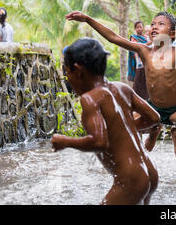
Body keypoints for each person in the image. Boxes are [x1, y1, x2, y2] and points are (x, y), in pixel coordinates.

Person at [65, 10, 176, 159]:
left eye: (160, 24)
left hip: (175, 110)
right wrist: (88, 19)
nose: (154, 27)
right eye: (153, 24)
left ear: (172, 34)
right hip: (151, 109)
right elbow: (114, 38)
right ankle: (154, 129)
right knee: (123, 128)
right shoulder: (144, 50)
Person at [51, 38, 160, 205]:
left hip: (131, 179)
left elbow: (99, 142)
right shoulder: (122, 88)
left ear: (78, 70)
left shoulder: (90, 99)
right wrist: (124, 130)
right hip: (149, 171)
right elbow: (154, 118)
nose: (68, 79)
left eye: (67, 72)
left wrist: (65, 141)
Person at [128, 20, 149, 100]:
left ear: (143, 28)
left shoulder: (146, 37)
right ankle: (135, 99)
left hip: (147, 61)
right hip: (139, 62)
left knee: (147, 81)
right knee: (138, 81)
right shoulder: (133, 38)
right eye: (137, 27)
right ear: (135, 29)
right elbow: (136, 47)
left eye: (140, 27)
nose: (139, 29)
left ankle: (146, 99)